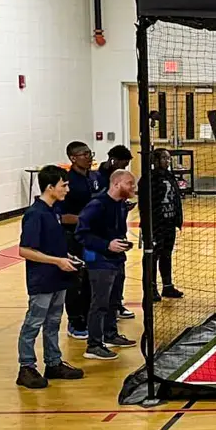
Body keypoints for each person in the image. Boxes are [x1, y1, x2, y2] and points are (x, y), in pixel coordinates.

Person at [16, 165, 85, 389]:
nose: (67, 189)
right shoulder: (35, 214)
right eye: (63, 185)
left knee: (53, 322)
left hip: (59, 276)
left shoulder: (54, 210)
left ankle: (53, 363)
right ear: (50, 187)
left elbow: (51, 245)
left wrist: (67, 256)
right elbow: (25, 250)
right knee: (34, 322)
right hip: (43, 279)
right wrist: (57, 261)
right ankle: (26, 367)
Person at [76, 169, 139, 361]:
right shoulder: (97, 205)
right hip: (99, 261)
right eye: (130, 183)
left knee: (113, 300)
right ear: (116, 184)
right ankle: (94, 345)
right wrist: (106, 245)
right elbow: (81, 233)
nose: (133, 187)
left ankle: (110, 334)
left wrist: (121, 244)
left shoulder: (120, 205)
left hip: (116, 259)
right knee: (99, 303)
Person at [60, 141, 102, 340]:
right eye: (84, 154)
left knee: (92, 279)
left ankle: (90, 317)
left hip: (94, 237)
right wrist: (85, 218)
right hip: (74, 237)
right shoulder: (67, 183)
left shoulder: (95, 177)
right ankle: (75, 322)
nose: (89, 157)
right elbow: (61, 216)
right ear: (73, 158)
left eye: (89, 153)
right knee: (77, 279)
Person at [96, 145, 136, 320]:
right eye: (124, 164)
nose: (125, 168)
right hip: (101, 236)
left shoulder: (117, 178)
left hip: (117, 231)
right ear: (113, 160)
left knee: (120, 272)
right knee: (104, 276)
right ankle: (102, 311)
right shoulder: (98, 179)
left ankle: (116, 305)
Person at [149, 148, 185, 300]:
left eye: (168, 158)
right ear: (155, 160)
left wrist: (178, 219)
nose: (167, 161)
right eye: (164, 158)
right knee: (153, 256)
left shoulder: (170, 176)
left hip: (169, 223)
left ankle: (168, 286)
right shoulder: (150, 178)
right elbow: (147, 204)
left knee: (167, 255)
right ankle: (151, 289)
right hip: (157, 225)